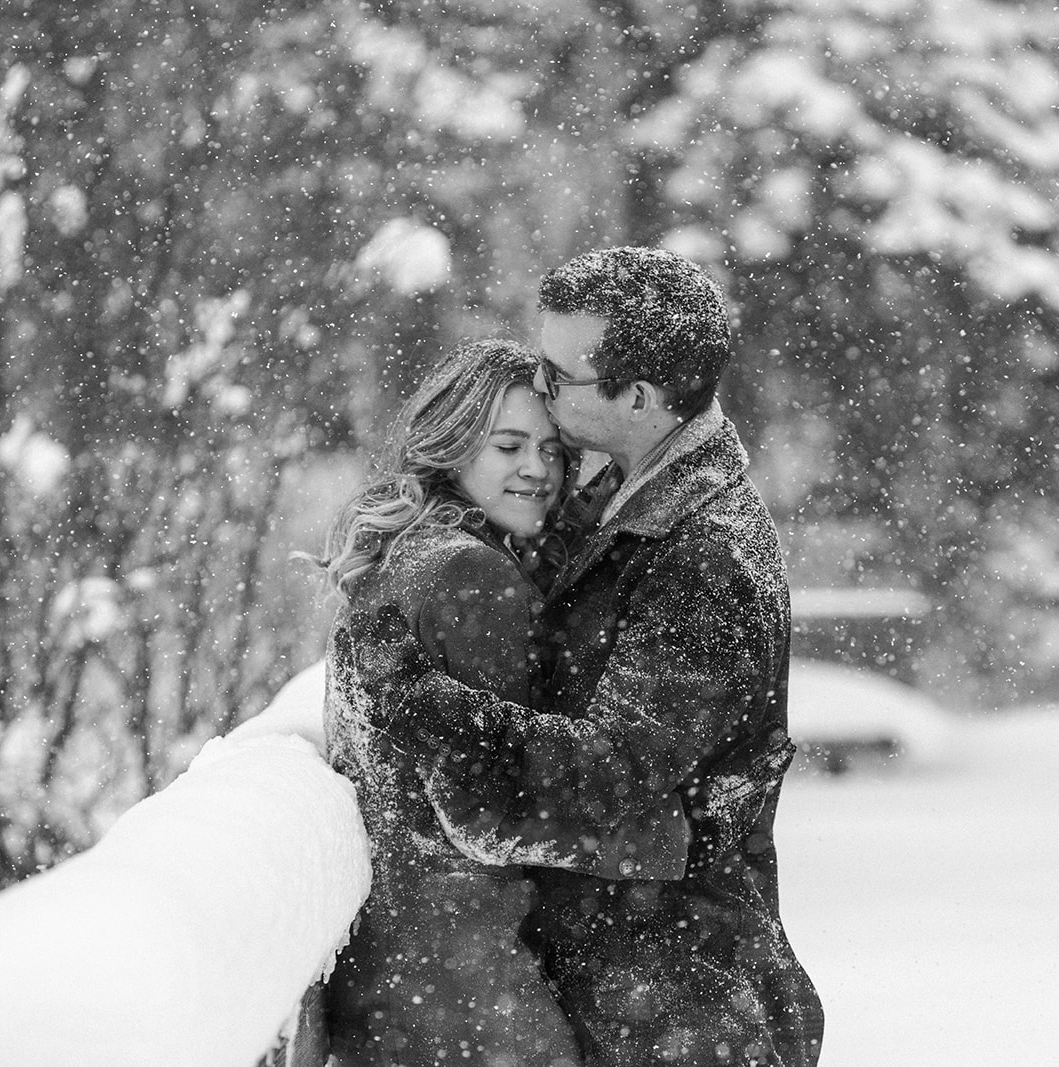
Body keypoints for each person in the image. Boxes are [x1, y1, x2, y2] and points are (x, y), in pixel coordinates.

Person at [352, 248, 825, 1065]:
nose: (541, 384)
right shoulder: (626, 502)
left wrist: (418, 698)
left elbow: (608, 771)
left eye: (556, 371)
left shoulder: (702, 557)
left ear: (635, 397)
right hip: (625, 981)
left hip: (678, 1001)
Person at [316, 339, 691, 1067]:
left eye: (553, 451)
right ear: (451, 446)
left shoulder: (412, 554)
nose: (536, 470)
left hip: (397, 976)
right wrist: (664, 829)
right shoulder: (472, 577)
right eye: (509, 445)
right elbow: (491, 804)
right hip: (470, 989)